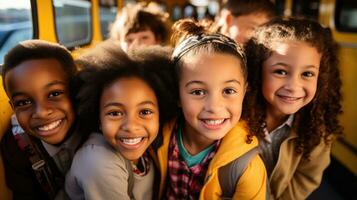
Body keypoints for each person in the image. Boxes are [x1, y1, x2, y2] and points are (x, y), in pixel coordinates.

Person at [157, 19, 267, 200]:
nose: (214, 107)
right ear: (177, 95)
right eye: (198, 92)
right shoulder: (156, 138)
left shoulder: (246, 169)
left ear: (244, 91)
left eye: (228, 91)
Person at [242, 17, 343, 199]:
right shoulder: (237, 117)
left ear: (320, 78)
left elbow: (305, 179)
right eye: (281, 71)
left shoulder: (317, 130)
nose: (293, 86)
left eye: (307, 74)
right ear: (258, 70)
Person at [65, 45, 178, 199]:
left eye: (145, 112)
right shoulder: (97, 160)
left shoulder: (152, 150)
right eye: (115, 113)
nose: (131, 126)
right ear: (98, 118)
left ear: (160, 114)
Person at [0, 39, 81, 199]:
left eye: (54, 94)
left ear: (77, 89)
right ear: (13, 106)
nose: (41, 112)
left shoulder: (100, 126)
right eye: (23, 102)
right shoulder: (16, 146)